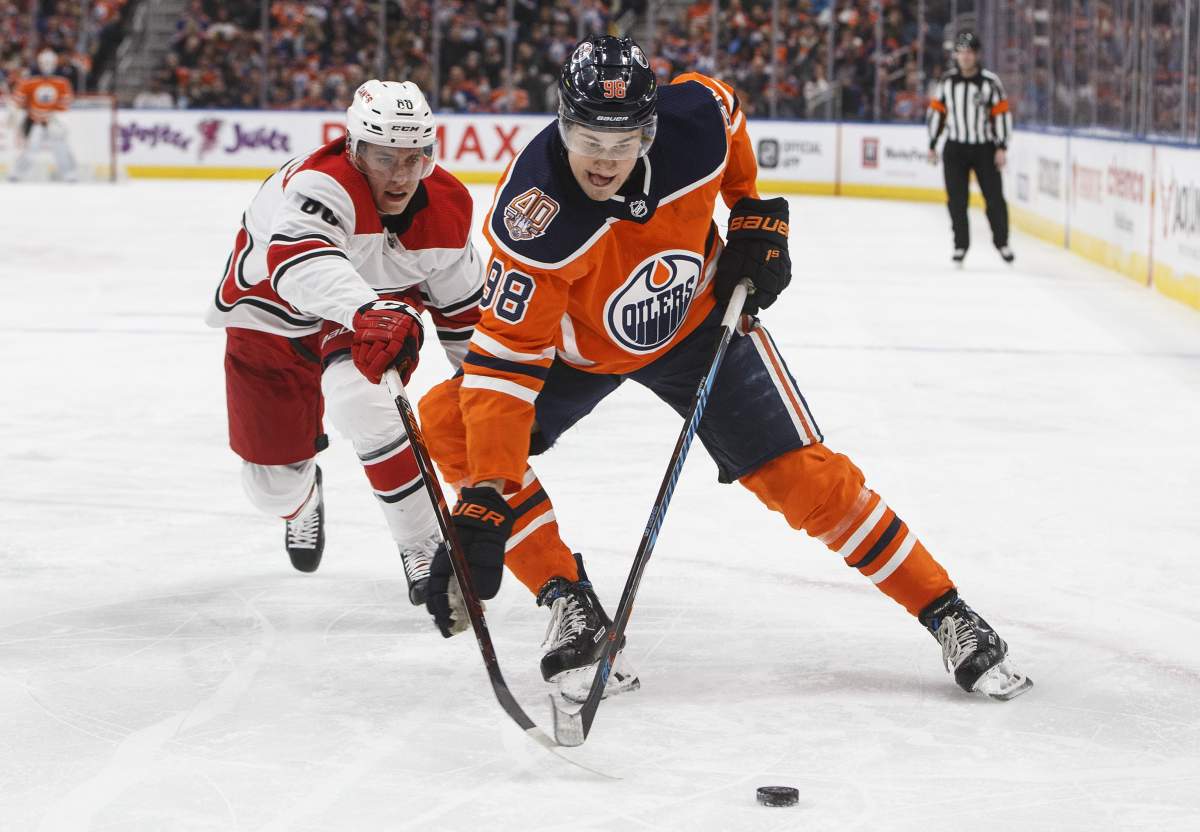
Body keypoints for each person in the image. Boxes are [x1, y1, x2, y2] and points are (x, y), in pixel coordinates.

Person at [420, 35, 1032, 702]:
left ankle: (946, 611)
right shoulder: (536, 219)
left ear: (651, 130)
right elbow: (503, 368)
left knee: (805, 480)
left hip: (699, 324)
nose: (605, 160)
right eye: (589, 138)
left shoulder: (696, 124)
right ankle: (569, 599)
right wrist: (488, 494)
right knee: (449, 423)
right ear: (562, 124)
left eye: (624, 141)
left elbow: (728, 110)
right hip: (580, 353)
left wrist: (751, 209)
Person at [205, 80, 483, 604]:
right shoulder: (321, 184)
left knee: (364, 399)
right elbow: (298, 264)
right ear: (354, 149)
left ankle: (424, 545)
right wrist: (368, 311)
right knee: (272, 488)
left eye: (414, 158)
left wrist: (493, 392)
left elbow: (465, 317)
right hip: (273, 313)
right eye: (385, 158)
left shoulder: (448, 206)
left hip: (369, 304)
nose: (400, 175)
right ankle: (301, 498)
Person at [927, 31, 1015, 266]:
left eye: (969, 52)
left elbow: (1001, 114)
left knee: (994, 198)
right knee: (956, 200)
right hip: (955, 148)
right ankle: (960, 245)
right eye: (961, 52)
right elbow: (936, 113)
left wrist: (1001, 146)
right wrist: (933, 143)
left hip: (984, 148)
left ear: (977, 55)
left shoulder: (990, 82)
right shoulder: (947, 82)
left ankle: (1002, 242)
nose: (965, 57)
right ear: (955, 55)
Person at [9, 49, 77, 182]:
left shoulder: (62, 83)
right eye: (44, 63)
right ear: (39, 63)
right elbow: (18, 100)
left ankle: (70, 174)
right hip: (37, 122)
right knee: (30, 150)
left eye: (50, 62)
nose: (47, 66)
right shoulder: (30, 82)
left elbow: (65, 104)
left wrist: (56, 118)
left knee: (62, 149)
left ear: (55, 63)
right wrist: (14, 111)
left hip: (54, 123)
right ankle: (16, 174)